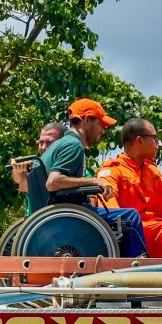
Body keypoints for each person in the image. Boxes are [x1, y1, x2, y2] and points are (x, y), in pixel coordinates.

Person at [40, 98, 147, 257]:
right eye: (100, 124)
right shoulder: (73, 145)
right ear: (86, 120)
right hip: (69, 215)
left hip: (58, 212)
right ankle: (135, 268)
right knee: (131, 216)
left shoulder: (59, 144)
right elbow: (53, 182)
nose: (103, 130)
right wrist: (94, 181)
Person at [94, 118, 162, 258]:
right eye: (155, 139)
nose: (158, 144)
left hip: (160, 230)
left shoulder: (153, 171)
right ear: (139, 141)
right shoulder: (112, 171)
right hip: (134, 234)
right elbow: (114, 216)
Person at [11, 122, 68, 194]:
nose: (43, 147)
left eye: (49, 142)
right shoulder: (36, 165)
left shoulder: (74, 167)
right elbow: (20, 180)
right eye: (41, 142)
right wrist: (17, 168)